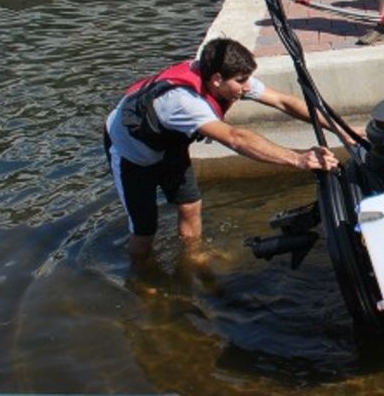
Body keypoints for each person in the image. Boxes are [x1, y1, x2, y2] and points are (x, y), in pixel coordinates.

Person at [104, 38, 350, 262]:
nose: (246, 87)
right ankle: (141, 278)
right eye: (241, 81)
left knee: (190, 205)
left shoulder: (227, 78)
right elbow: (235, 138)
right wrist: (297, 159)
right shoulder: (184, 103)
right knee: (144, 229)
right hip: (131, 154)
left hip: (170, 146)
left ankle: (193, 259)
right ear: (217, 79)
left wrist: (342, 129)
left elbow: (283, 101)